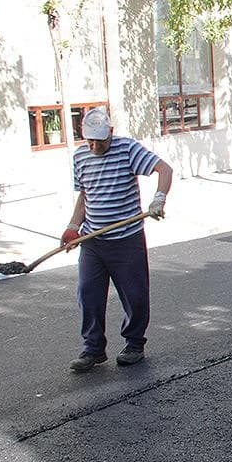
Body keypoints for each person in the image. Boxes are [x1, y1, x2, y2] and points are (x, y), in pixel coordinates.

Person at [61, 107, 173, 373]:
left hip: (127, 239)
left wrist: (158, 199)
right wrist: (73, 226)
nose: (95, 146)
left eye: (101, 140)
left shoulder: (127, 149)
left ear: (111, 132)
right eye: (90, 141)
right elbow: (85, 195)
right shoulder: (80, 157)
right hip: (93, 240)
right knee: (88, 294)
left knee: (134, 295)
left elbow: (164, 169)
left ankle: (134, 343)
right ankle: (93, 349)